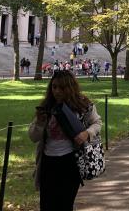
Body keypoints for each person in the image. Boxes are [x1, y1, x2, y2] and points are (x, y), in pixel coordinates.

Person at [28, 70, 102, 211]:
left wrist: (87, 133)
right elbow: (33, 137)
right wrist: (39, 123)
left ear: (70, 87)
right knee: (47, 205)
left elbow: (97, 123)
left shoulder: (83, 105)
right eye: (54, 87)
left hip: (70, 162)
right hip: (48, 163)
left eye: (61, 88)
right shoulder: (46, 107)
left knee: (65, 205)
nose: (57, 91)